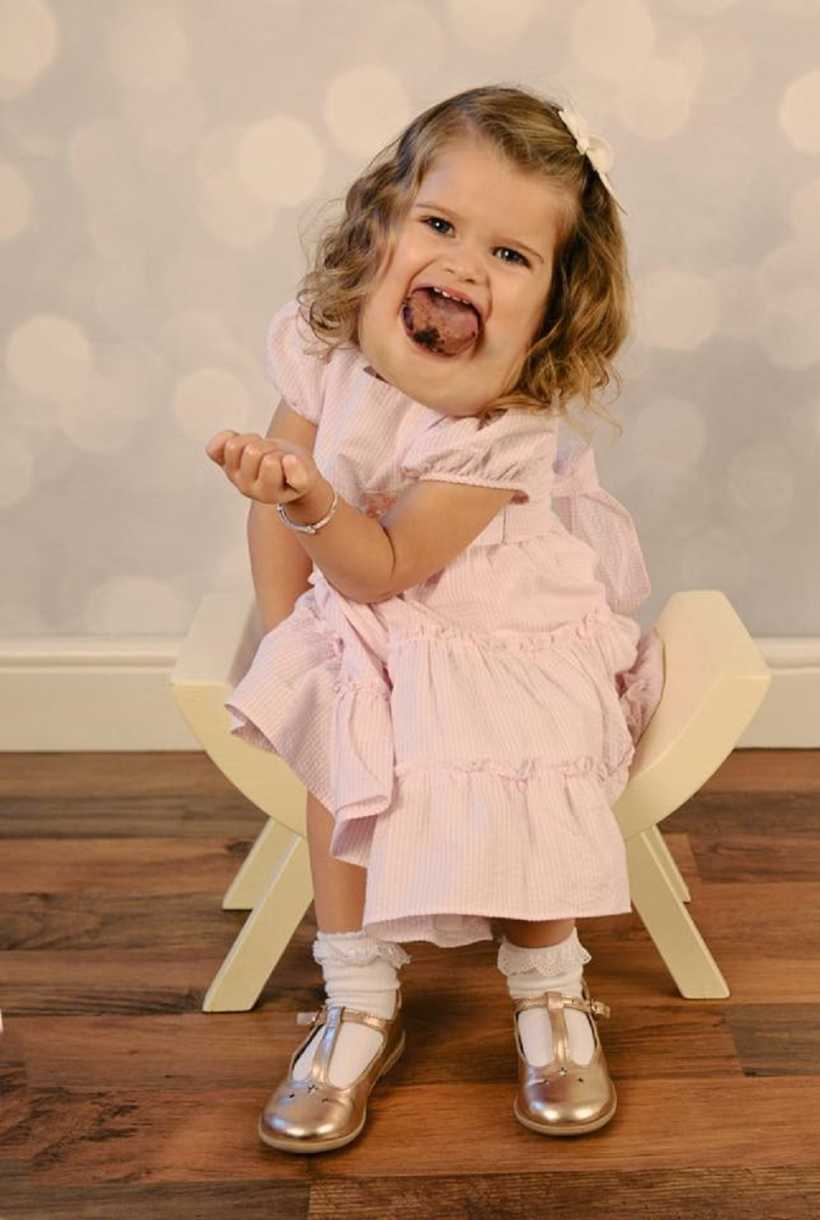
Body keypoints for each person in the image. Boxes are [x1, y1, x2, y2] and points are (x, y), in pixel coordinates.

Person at [205, 84, 664, 1153]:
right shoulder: (323, 357)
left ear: (553, 308)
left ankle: (551, 986)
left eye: (511, 256)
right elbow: (281, 531)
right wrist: (290, 640)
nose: (463, 266)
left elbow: (391, 560)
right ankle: (358, 993)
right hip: (356, 598)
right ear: (382, 227)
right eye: (442, 225)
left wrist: (312, 501)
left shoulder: (501, 429)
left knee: (522, 751)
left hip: (496, 624)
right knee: (342, 737)